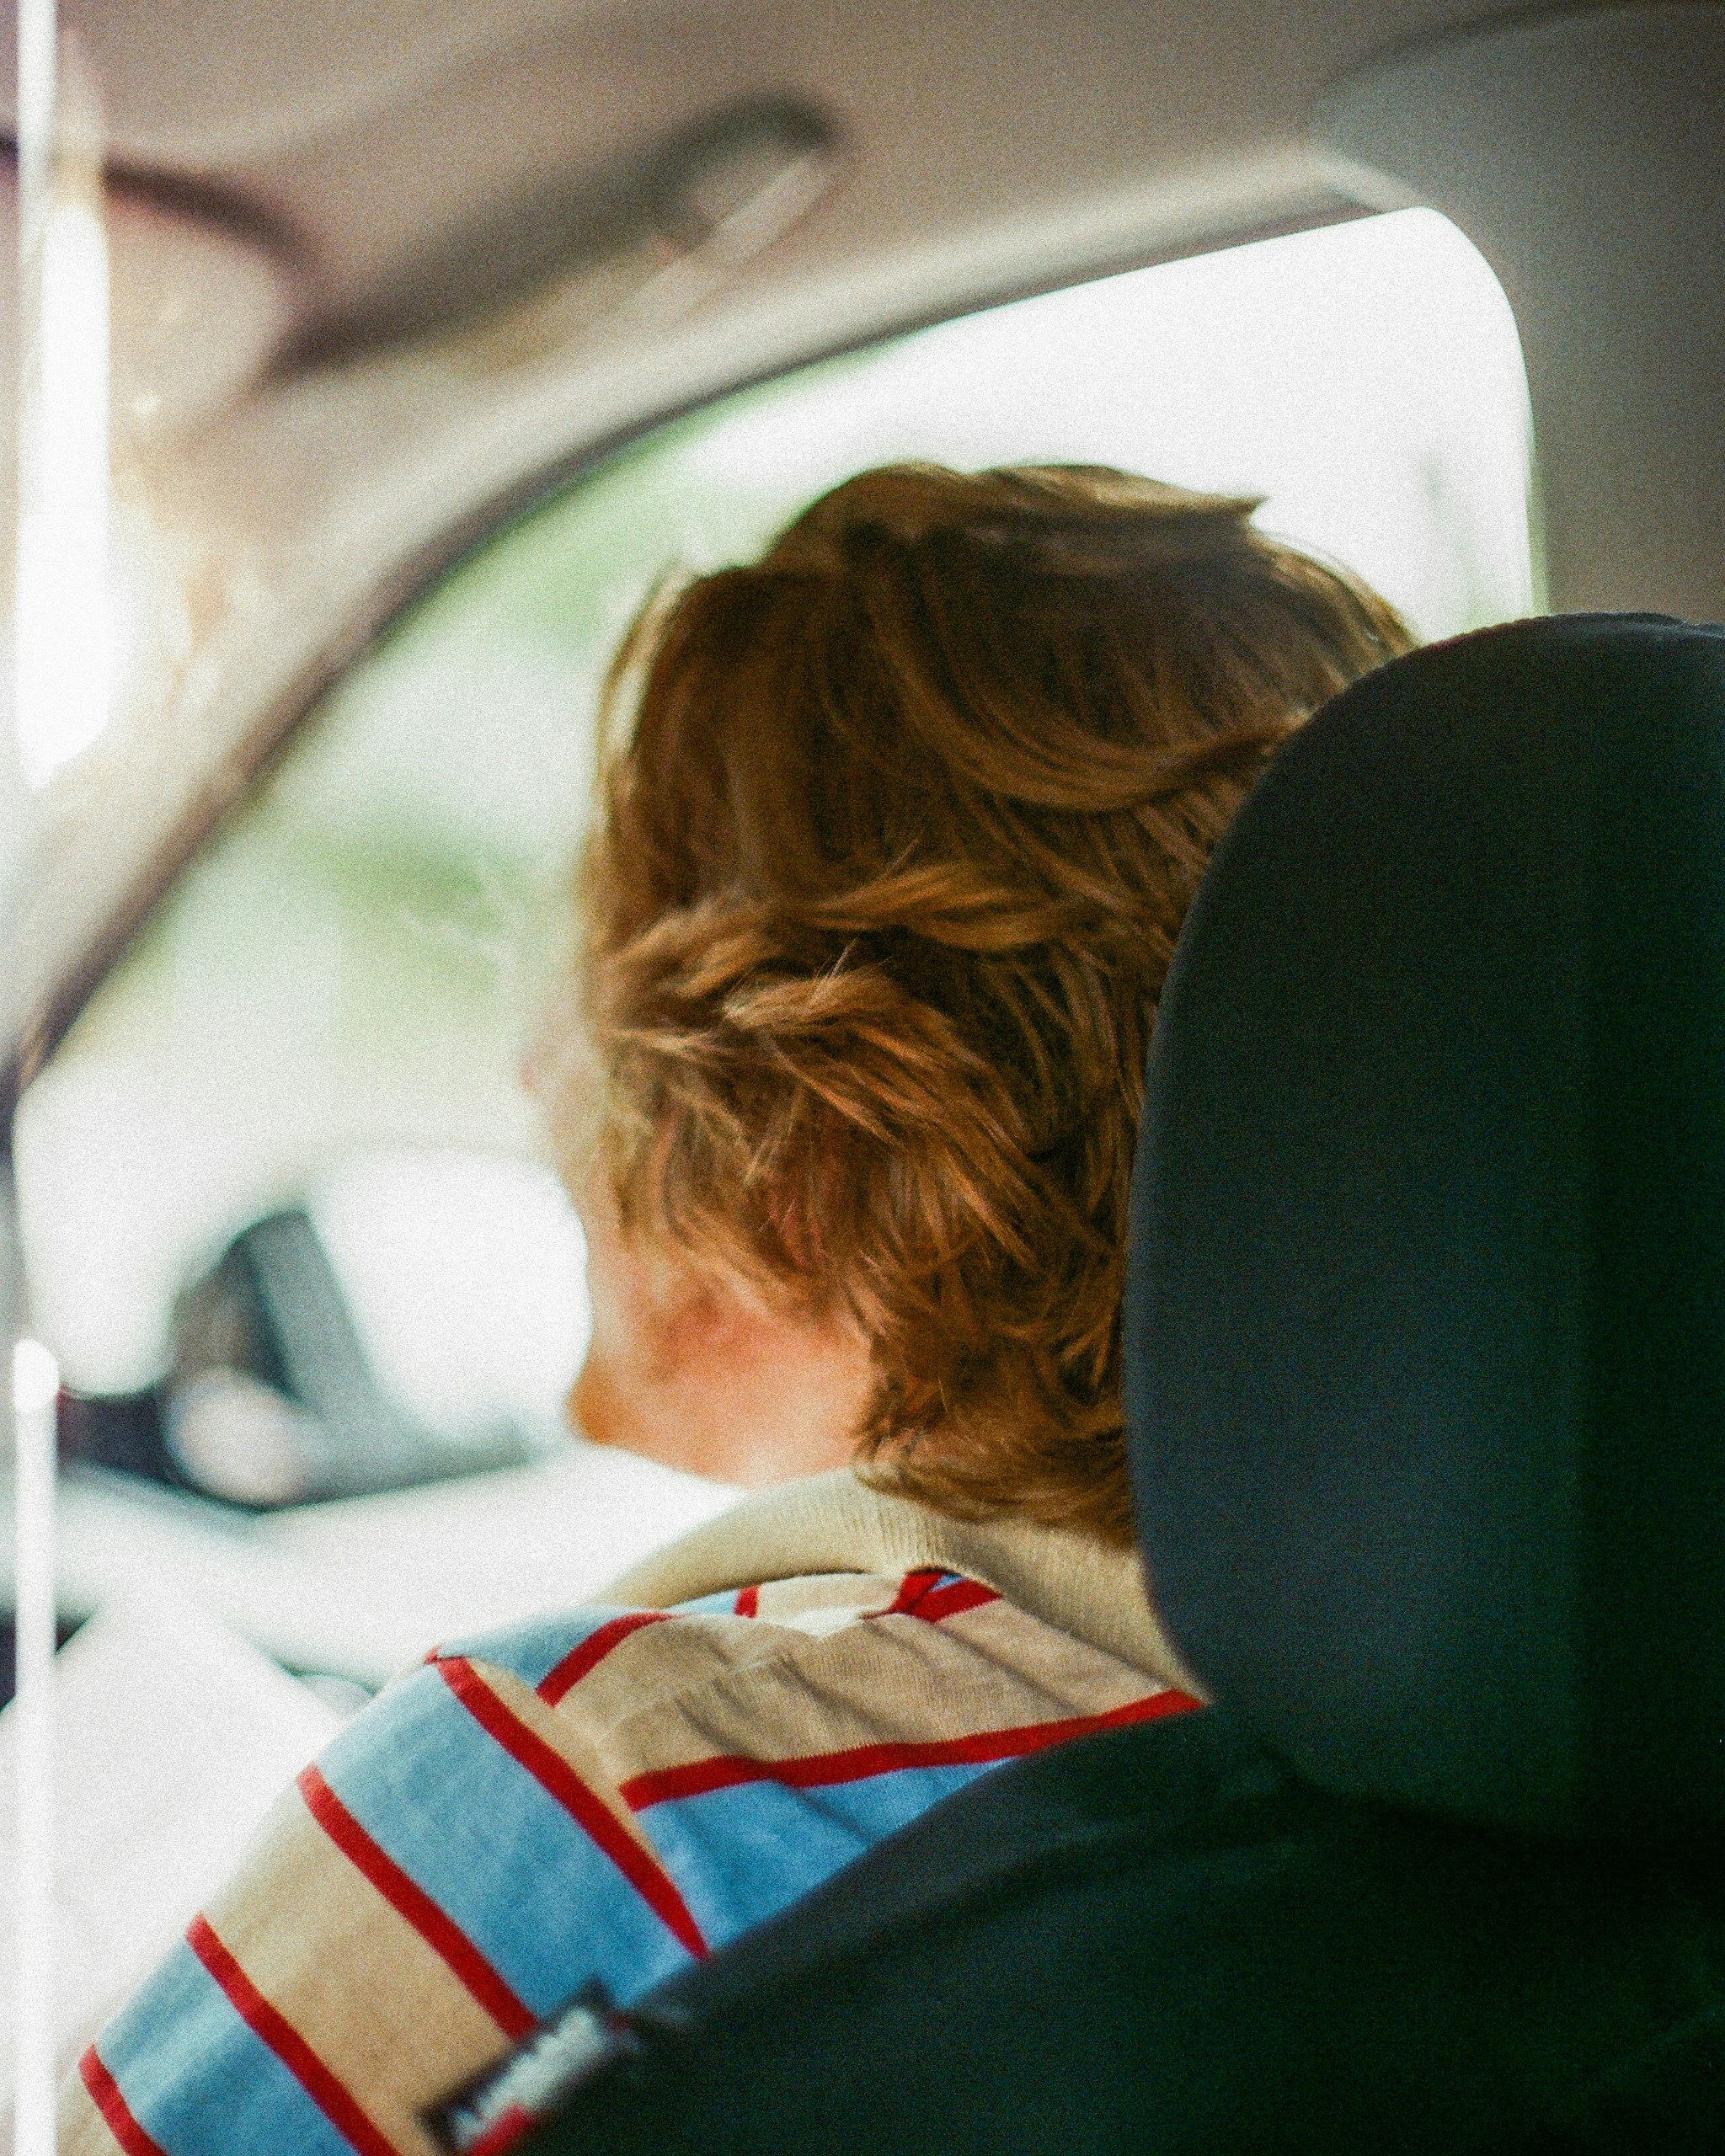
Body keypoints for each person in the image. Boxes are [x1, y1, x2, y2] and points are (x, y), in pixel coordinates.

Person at [62, 464, 1412, 2156]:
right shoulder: (1531, 1801)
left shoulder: (593, 1802)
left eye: (615, 930)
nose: (548, 1060)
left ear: (803, 1114)